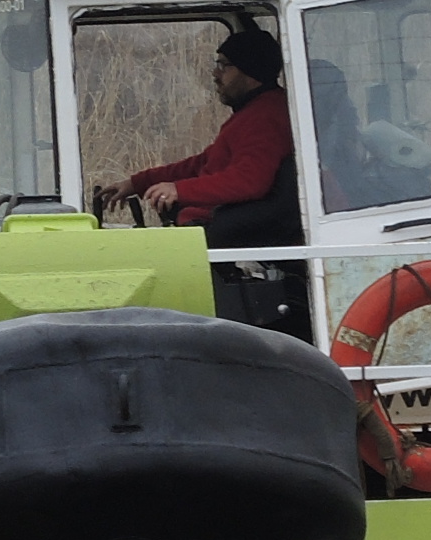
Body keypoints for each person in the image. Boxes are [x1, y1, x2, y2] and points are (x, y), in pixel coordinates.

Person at [119, 24, 304, 333]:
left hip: (230, 229)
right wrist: (138, 183)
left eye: (224, 65)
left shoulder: (267, 116)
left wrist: (181, 191)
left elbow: (249, 180)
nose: (216, 74)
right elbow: (205, 163)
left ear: (250, 70)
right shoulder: (251, 114)